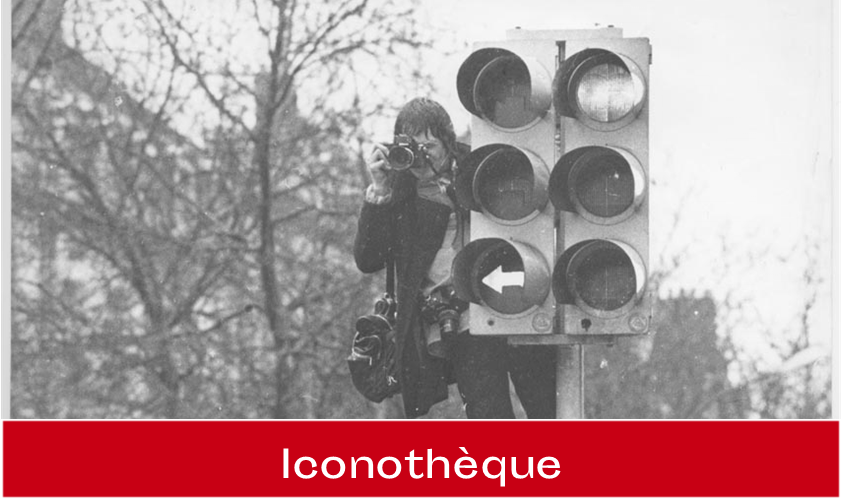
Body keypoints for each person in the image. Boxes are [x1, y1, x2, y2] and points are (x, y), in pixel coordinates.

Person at [354, 97, 556, 418]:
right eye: (411, 147)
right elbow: (368, 260)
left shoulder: (477, 167)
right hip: (461, 320)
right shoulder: (399, 192)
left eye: (428, 147)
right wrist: (379, 192)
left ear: (448, 142)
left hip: (514, 302)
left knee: (548, 408)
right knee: (489, 417)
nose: (419, 157)